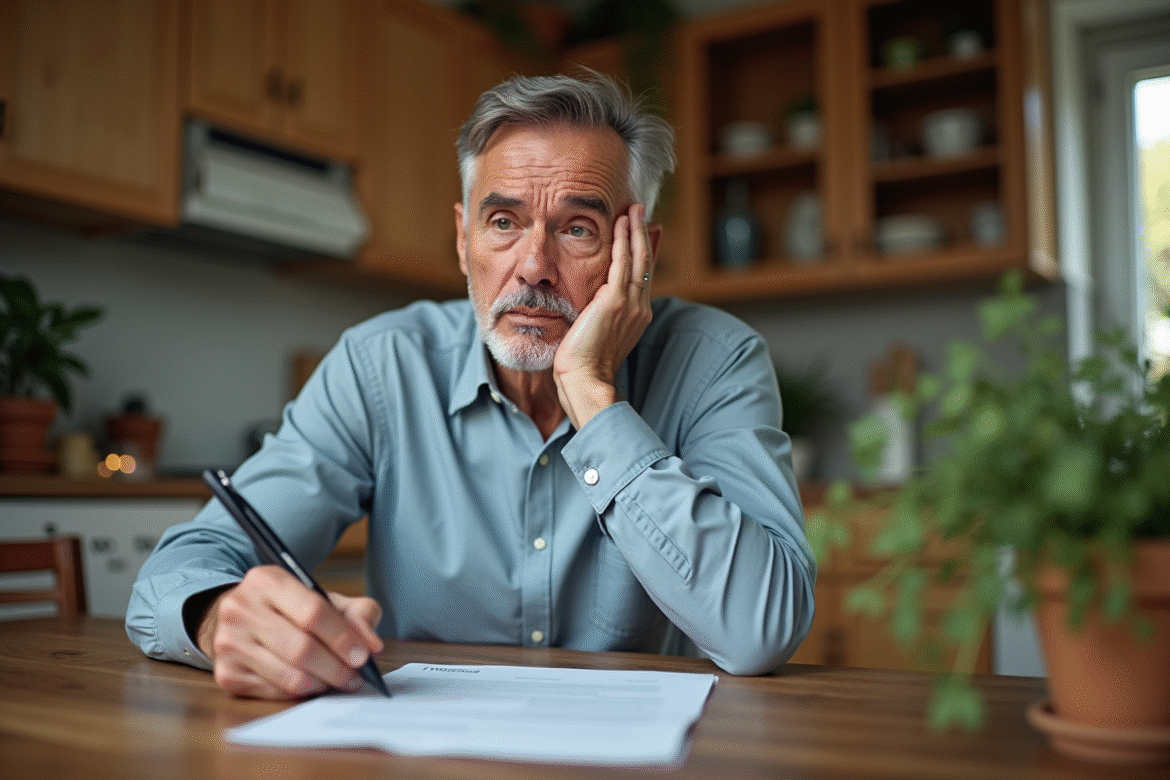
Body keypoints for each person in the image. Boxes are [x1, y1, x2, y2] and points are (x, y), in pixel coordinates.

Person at [127, 71, 815, 699]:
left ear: (639, 256)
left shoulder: (715, 360)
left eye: (578, 228)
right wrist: (221, 621)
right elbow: (179, 571)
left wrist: (592, 394)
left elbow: (762, 627)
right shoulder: (380, 367)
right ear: (464, 240)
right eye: (503, 222)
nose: (533, 267)